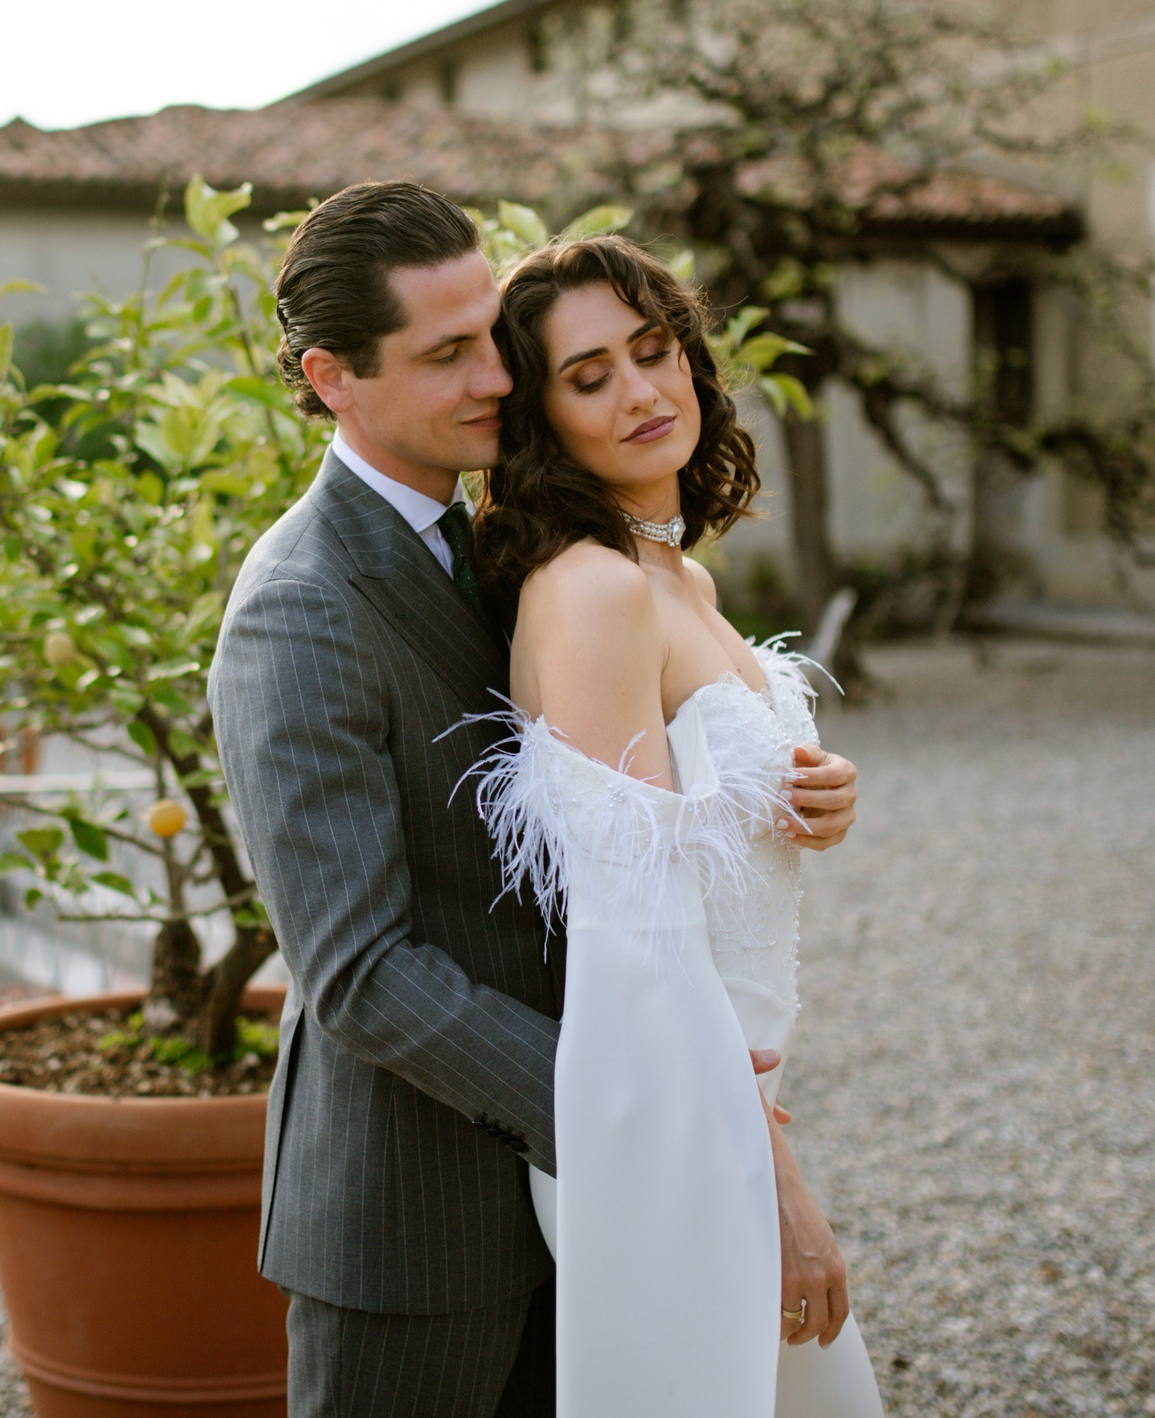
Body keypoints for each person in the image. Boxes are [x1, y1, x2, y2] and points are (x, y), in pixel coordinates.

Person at [209, 185, 861, 1418]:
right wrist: (642, 1112)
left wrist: (773, 788)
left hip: (583, 1197)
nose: (497, 380)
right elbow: (355, 970)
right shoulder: (301, 601)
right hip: (417, 1226)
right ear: (331, 375)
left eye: (493, 343)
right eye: (449, 353)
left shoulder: (498, 540)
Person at [466, 232, 884, 1417]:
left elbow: (704, 828)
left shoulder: (676, 578)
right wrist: (777, 1183)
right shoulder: (593, 591)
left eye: (653, 353)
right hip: (659, 1110)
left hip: (718, 1092)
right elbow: (636, 938)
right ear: (543, 418)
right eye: (589, 376)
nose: (642, 392)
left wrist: (814, 801)